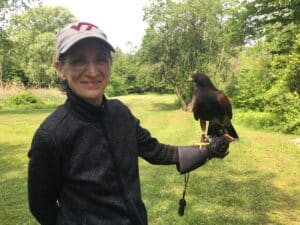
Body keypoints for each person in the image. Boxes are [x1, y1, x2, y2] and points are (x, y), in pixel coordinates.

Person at [28, 21, 230, 225]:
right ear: (60, 68)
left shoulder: (120, 113)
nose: (92, 71)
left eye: (101, 59)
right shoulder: (51, 135)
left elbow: (156, 151)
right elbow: (40, 206)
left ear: (110, 64)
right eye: (79, 61)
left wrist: (207, 151)